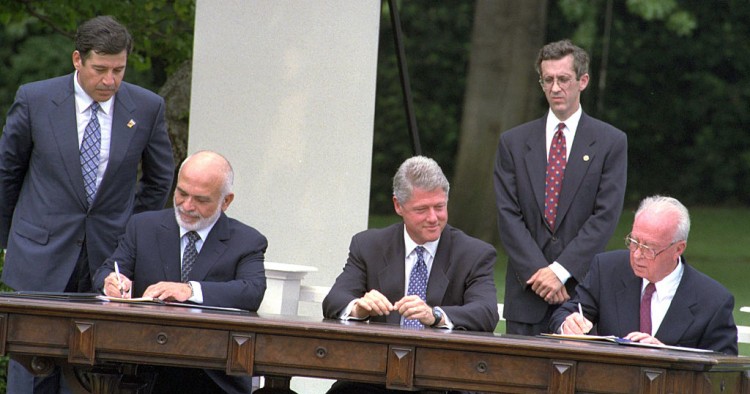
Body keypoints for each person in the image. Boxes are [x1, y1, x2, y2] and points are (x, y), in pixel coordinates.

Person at [0, 15, 175, 393]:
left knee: (91, 373)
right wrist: (9, 237)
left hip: (108, 260)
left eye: (119, 70)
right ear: (77, 59)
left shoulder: (147, 107)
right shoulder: (35, 99)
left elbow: (160, 177)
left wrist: (132, 236)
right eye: (100, 69)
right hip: (39, 255)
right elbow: (7, 172)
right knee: (31, 373)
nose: (109, 81)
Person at [93, 150, 268, 393]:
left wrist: (189, 290)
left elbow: (252, 292)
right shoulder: (143, 227)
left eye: (201, 199)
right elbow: (106, 271)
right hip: (143, 371)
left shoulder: (247, 241)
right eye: (182, 193)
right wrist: (110, 282)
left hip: (213, 374)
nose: (187, 206)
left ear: (226, 201)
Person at [323, 156, 499, 394]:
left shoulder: (474, 253)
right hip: (377, 376)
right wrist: (358, 308)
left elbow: (486, 313)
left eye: (439, 206)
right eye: (421, 209)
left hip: (443, 379)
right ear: (398, 206)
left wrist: (435, 316)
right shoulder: (368, 245)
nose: (433, 218)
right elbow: (334, 300)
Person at [493, 39, 627, 336]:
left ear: (583, 81)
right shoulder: (513, 143)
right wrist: (540, 275)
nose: (555, 88)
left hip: (580, 296)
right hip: (526, 296)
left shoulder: (611, 143)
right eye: (548, 80)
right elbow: (508, 215)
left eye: (563, 79)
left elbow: (605, 217)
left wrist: (560, 272)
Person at [549, 195, 738, 355]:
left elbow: (723, 370)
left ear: (678, 249)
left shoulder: (713, 300)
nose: (637, 254)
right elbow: (566, 312)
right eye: (634, 241)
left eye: (649, 248)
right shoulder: (607, 269)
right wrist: (568, 324)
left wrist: (666, 355)